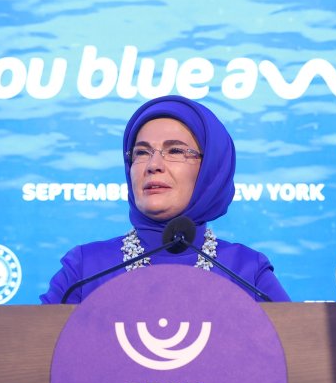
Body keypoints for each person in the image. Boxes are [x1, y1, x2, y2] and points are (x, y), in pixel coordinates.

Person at [40, 95, 289, 304]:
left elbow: (293, 353)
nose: (153, 165)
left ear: (211, 168)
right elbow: (38, 352)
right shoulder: (85, 270)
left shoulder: (246, 272)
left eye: (176, 151)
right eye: (141, 152)